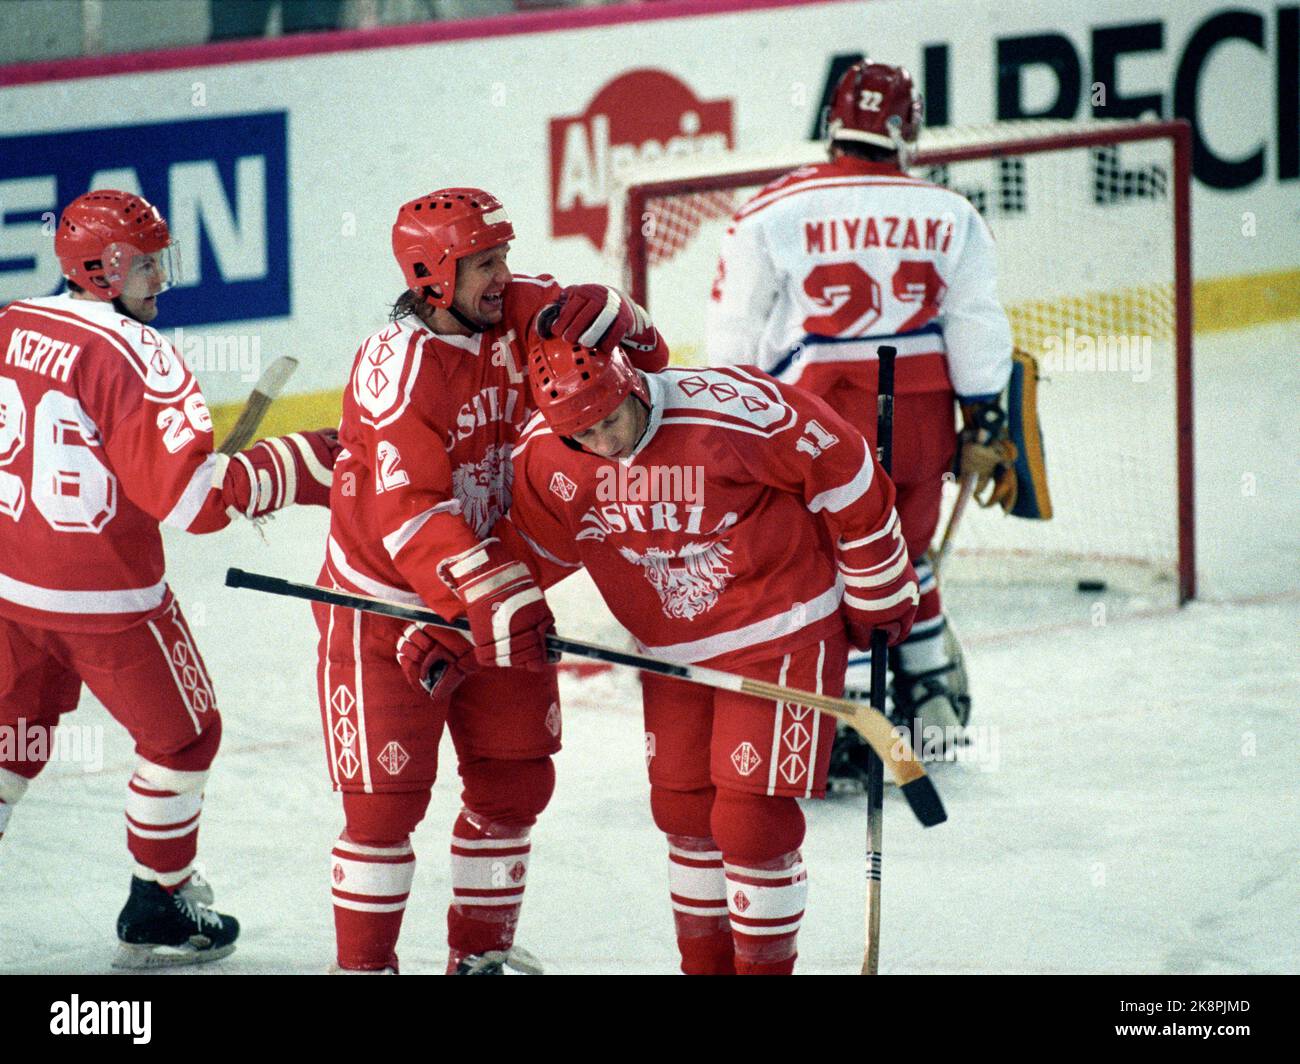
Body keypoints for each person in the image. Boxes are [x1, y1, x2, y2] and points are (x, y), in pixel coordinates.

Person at [480, 307, 918, 975]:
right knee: (683, 812)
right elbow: (530, 550)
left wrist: (879, 585)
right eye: (582, 435)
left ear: (630, 384)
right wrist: (469, 614)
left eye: (608, 421)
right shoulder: (545, 454)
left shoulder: (730, 409)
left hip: (782, 626)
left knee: (750, 821)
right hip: (672, 654)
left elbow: (846, 468)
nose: (602, 444)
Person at [318, 187, 668, 974]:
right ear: (432, 276)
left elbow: (646, 358)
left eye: (504, 255)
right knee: (383, 809)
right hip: (385, 609)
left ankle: (479, 960)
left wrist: (614, 310)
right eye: (484, 262)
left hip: (496, 595)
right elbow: (409, 513)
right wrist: (485, 601)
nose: (504, 275)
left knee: (514, 784)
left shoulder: (519, 310)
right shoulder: (394, 368)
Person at [0, 189, 339, 968]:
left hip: (11, 590)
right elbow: (191, 507)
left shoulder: (14, 322)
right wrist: (257, 474)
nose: (162, 278)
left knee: (10, 742)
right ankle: (157, 900)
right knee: (184, 736)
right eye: (147, 264)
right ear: (102, 268)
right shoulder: (142, 354)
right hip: (109, 603)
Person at [705, 59, 1017, 780]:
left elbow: (734, 333)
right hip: (921, 414)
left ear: (830, 125)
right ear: (906, 130)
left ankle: (847, 715)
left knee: (826, 559)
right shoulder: (950, 211)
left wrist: (732, 433)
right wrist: (986, 416)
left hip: (819, 420)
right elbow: (976, 325)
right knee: (903, 550)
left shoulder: (769, 210)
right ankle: (931, 688)